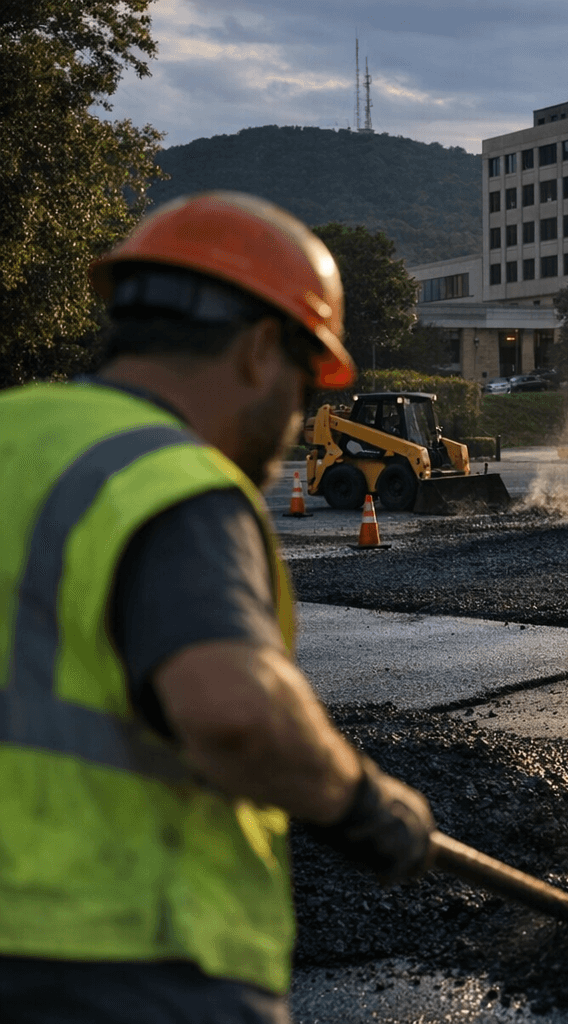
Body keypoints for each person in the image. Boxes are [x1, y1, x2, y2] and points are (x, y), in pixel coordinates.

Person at [0, 192, 436, 1023]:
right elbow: (233, 712)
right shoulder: (167, 480)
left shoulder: (15, 434)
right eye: (306, 382)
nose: (298, 417)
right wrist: (360, 803)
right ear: (262, 348)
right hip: (119, 957)